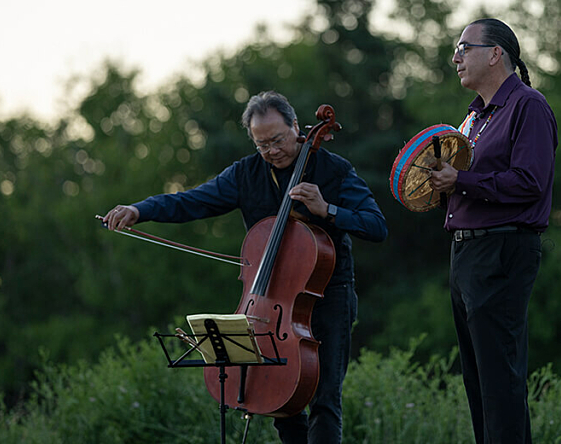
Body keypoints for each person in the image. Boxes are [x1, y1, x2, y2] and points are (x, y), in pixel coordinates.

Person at [103, 90, 387, 444]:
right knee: (284, 404)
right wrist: (140, 210)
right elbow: (191, 201)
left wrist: (327, 209)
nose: (272, 151)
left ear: (296, 127)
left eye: (278, 140)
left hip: (329, 298)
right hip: (272, 305)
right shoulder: (245, 174)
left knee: (325, 401)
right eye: (262, 144)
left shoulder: (335, 170)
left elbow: (376, 226)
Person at [429, 18, 558, 444]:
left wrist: (460, 182)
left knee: (500, 383)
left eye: (464, 47)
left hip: (503, 251)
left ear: (495, 54)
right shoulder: (472, 117)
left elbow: (530, 181)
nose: (456, 57)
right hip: (465, 254)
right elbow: (463, 184)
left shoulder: (528, 105)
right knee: (479, 383)